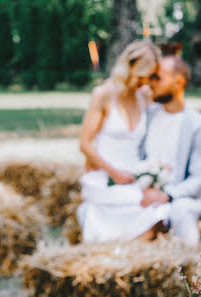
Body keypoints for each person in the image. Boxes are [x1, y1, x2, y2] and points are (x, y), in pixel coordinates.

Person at [77, 40, 171, 243]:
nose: (145, 82)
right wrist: (114, 173)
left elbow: (166, 113)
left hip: (134, 176)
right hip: (106, 176)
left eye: (149, 77)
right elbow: (84, 144)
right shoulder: (103, 95)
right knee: (139, 203)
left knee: (161, 208)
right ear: (130, 66)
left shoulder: (143, 96)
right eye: (142, 76)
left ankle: (130, 250)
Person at [141, 55, 201, 246]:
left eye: (158, 78)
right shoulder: (148, 115)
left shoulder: (198, 124)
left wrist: (167, 195)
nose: (151, 83)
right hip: (143, 191)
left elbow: (199, 178)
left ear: (178, 82)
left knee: (180, 212)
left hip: (179, 197)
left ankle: (186, 267)